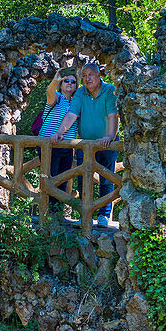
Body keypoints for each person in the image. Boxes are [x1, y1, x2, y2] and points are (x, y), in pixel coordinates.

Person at [49, 61, 119, 227]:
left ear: (98, 76)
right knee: (83, 177)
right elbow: (71, 114)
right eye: (84, 76)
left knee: (106, 179)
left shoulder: (109, 90)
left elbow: (113, 116)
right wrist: (60, 132)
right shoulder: (80, 92)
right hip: (85, 144)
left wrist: (110, 136)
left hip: (107, 144)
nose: (87, 79)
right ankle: (84, 214)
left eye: (91, 75)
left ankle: (104, 215)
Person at [39, 70, 79, 203]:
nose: (69, 83)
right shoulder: (57, 97)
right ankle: (47, 214)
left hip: (67, 148)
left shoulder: (76, 103)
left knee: (62, 181)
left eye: (73, 82)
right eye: (66, 80)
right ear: (61, 84)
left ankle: (57, 213)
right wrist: (55, 80)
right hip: (49, 145)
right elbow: (49, 93)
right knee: (50, 179)